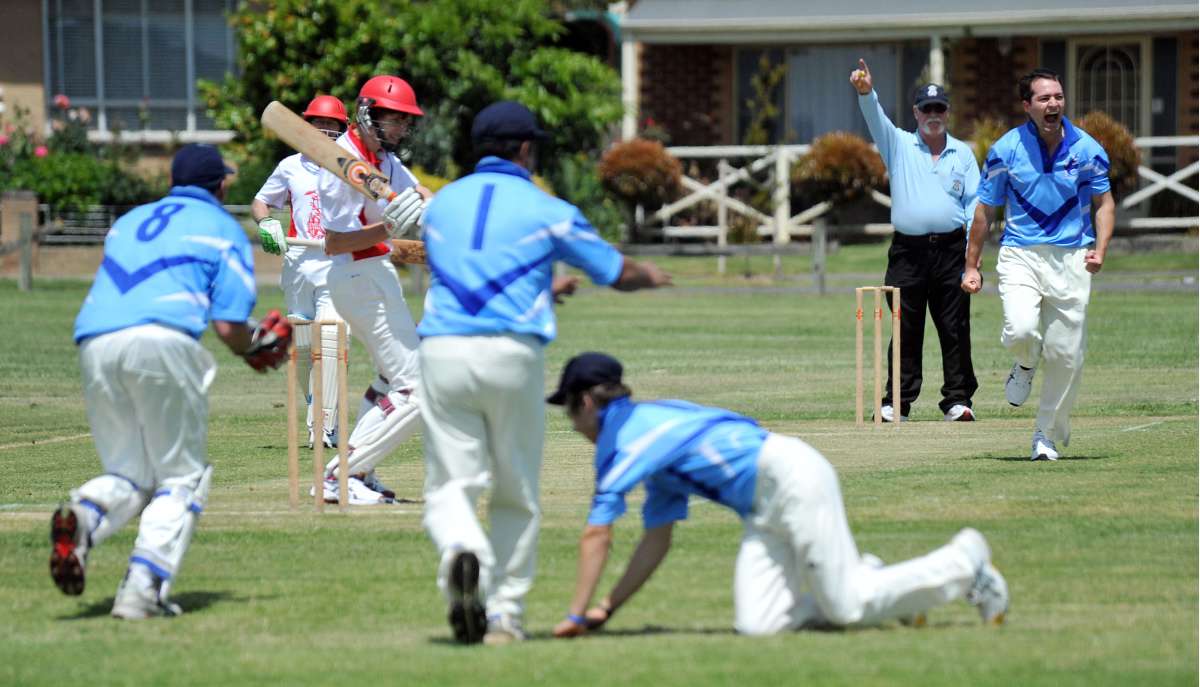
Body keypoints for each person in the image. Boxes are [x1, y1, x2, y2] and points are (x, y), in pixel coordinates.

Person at [417, 101, 672, 645]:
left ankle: (463, 551)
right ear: (526, 149)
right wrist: (650, 275)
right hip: (512, 354)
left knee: (450, 485)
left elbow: (467, 273)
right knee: (515, 488)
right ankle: (505, 614)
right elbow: (613, 270)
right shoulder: (546, 208)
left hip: (441, 349)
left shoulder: (439, 207)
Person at [547, 352, 1009, 638]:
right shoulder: (649, 429)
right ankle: (874, 579)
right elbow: (657, 540)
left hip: (791, 479)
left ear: (585, 402)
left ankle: (964, 563)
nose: (572, 425)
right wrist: (605, 610)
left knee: (847, 607)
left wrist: (576, 614)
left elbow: (597, 534)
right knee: (759, 626)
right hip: (762, 507)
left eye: (568, 411)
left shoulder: (626, 440)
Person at [51, 144, 293, 619]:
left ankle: (83, 517)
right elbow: (228, 327)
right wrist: (256, 345)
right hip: (162, 341)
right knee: (182, 477)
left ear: (172, 182)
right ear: (221, 186)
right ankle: (142, 589)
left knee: (131, 474)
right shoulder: (223, 228)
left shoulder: (130, 221)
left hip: (95, 341)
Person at [960, 68, 1115, 461]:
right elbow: (985, 210)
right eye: (1045, 98)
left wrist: (1101, 248)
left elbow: (1104, 204)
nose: (1054, 104)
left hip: (1072, 257)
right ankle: (1026, 362)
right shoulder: (1006, 150)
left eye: (1058, 97)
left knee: (1066, 357)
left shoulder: (1087, 149)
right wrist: (971, 265)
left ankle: (1044, 436)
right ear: (1027, 105)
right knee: (1021, 329)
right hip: (1021, 254)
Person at [312, 74, 430, 503]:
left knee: (388, 379)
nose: (401, 127)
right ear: (366, 114)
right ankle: (339, 476)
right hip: (356, 276)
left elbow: (420, 194)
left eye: (405, 120)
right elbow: (335, 242)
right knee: (417, 388)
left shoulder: (384, 161)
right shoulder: (339, 162)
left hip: (377, 274)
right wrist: (388, 227)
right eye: (394, 118)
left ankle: (359, 472)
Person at [851, 59, 980, 422]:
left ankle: (957, 400)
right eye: (927, 109)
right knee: (904, 327)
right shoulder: (899, 144)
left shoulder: (963, 154)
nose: (933, 115)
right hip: (908, 252)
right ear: (916, 113)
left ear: (948, 113)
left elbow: (975, 207)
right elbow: (875, 119)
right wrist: (866, 92)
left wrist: (972, 259)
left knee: (954, 327)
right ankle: (897, 402)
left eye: (939, 108)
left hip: (952, 250)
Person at [252, 94, 350, 450]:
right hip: (298, 263)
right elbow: (262, 201)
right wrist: (266, 223)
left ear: (342, 130)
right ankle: (318, 408)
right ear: (305, 126)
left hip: (336, 263)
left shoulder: (351, 167)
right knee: (305, 347)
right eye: (317, 124)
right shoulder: (290, 166)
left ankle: (323, 425)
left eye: (331, 126)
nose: (324, 131)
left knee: (332, 338)